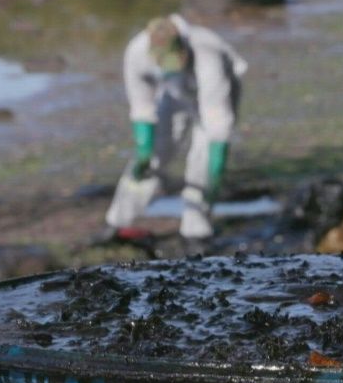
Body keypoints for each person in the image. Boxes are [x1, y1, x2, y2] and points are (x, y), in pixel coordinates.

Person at [102, 14, 247, 245]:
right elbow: (142, 104)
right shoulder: (137, 53)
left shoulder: (207, 55)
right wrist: (144, 150)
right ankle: (118, 221)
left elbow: (217, 124)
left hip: (217, 94)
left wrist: (216, 171)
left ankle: (196, 228)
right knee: (156, 154)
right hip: (173, 92)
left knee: (203, 158)